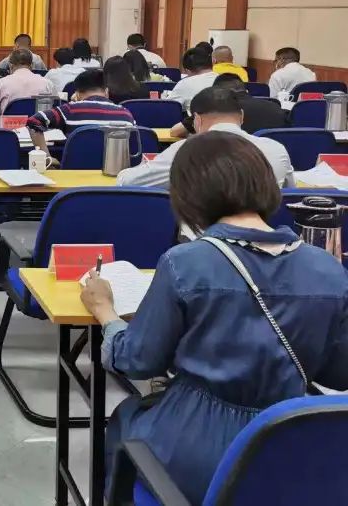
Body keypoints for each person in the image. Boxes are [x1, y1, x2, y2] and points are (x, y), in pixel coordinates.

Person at [82, 133, 348, 505]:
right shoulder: (329, 269)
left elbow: (137, 361)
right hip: (290, 446)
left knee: (125, 418)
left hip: (199, 447)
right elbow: (338, 374)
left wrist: (104, 310)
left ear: (187, 196)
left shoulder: (184, 263)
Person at [116, 87, 294, 188]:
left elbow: (129, 182)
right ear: (241, 116)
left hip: (203, 238)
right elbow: (289, 192)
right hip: (264, 238)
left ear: (197, 120)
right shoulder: (276, 149)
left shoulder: (186, 151)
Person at [26, 68, 134, 158]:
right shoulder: (126, 114)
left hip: (73, 173)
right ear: (106, 91)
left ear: (77, 94)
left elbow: (34, 121)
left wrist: (46, 157)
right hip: (115, 174)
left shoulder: (69, 110)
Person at [170, 74, 288, 138]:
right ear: (246, 90)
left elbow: (175, 131)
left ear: (218, 92)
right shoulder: (275, 108)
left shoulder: (215, 110)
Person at [0, 48, 54, 114]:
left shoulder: (1, 83)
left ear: (10, 65)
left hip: (9, 123)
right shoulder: (47, 83)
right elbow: (56, 105)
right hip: (38, 123)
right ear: (32, 65)